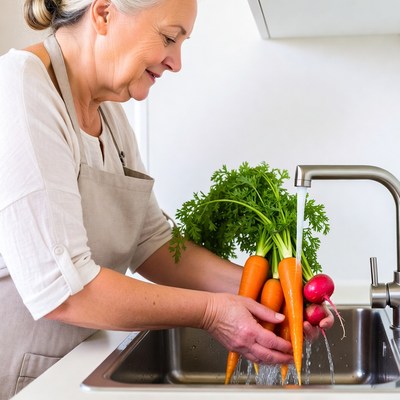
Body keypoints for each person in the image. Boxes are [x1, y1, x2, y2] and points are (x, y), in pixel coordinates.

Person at [0, 0, 333, 398]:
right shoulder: (21, 90)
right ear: (104, 14)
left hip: (70, 369)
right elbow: (66, 291)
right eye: (170, 38)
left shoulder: (109, 115)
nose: (176, 62)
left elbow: (151, 243)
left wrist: (266, 297)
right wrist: (211, 313)